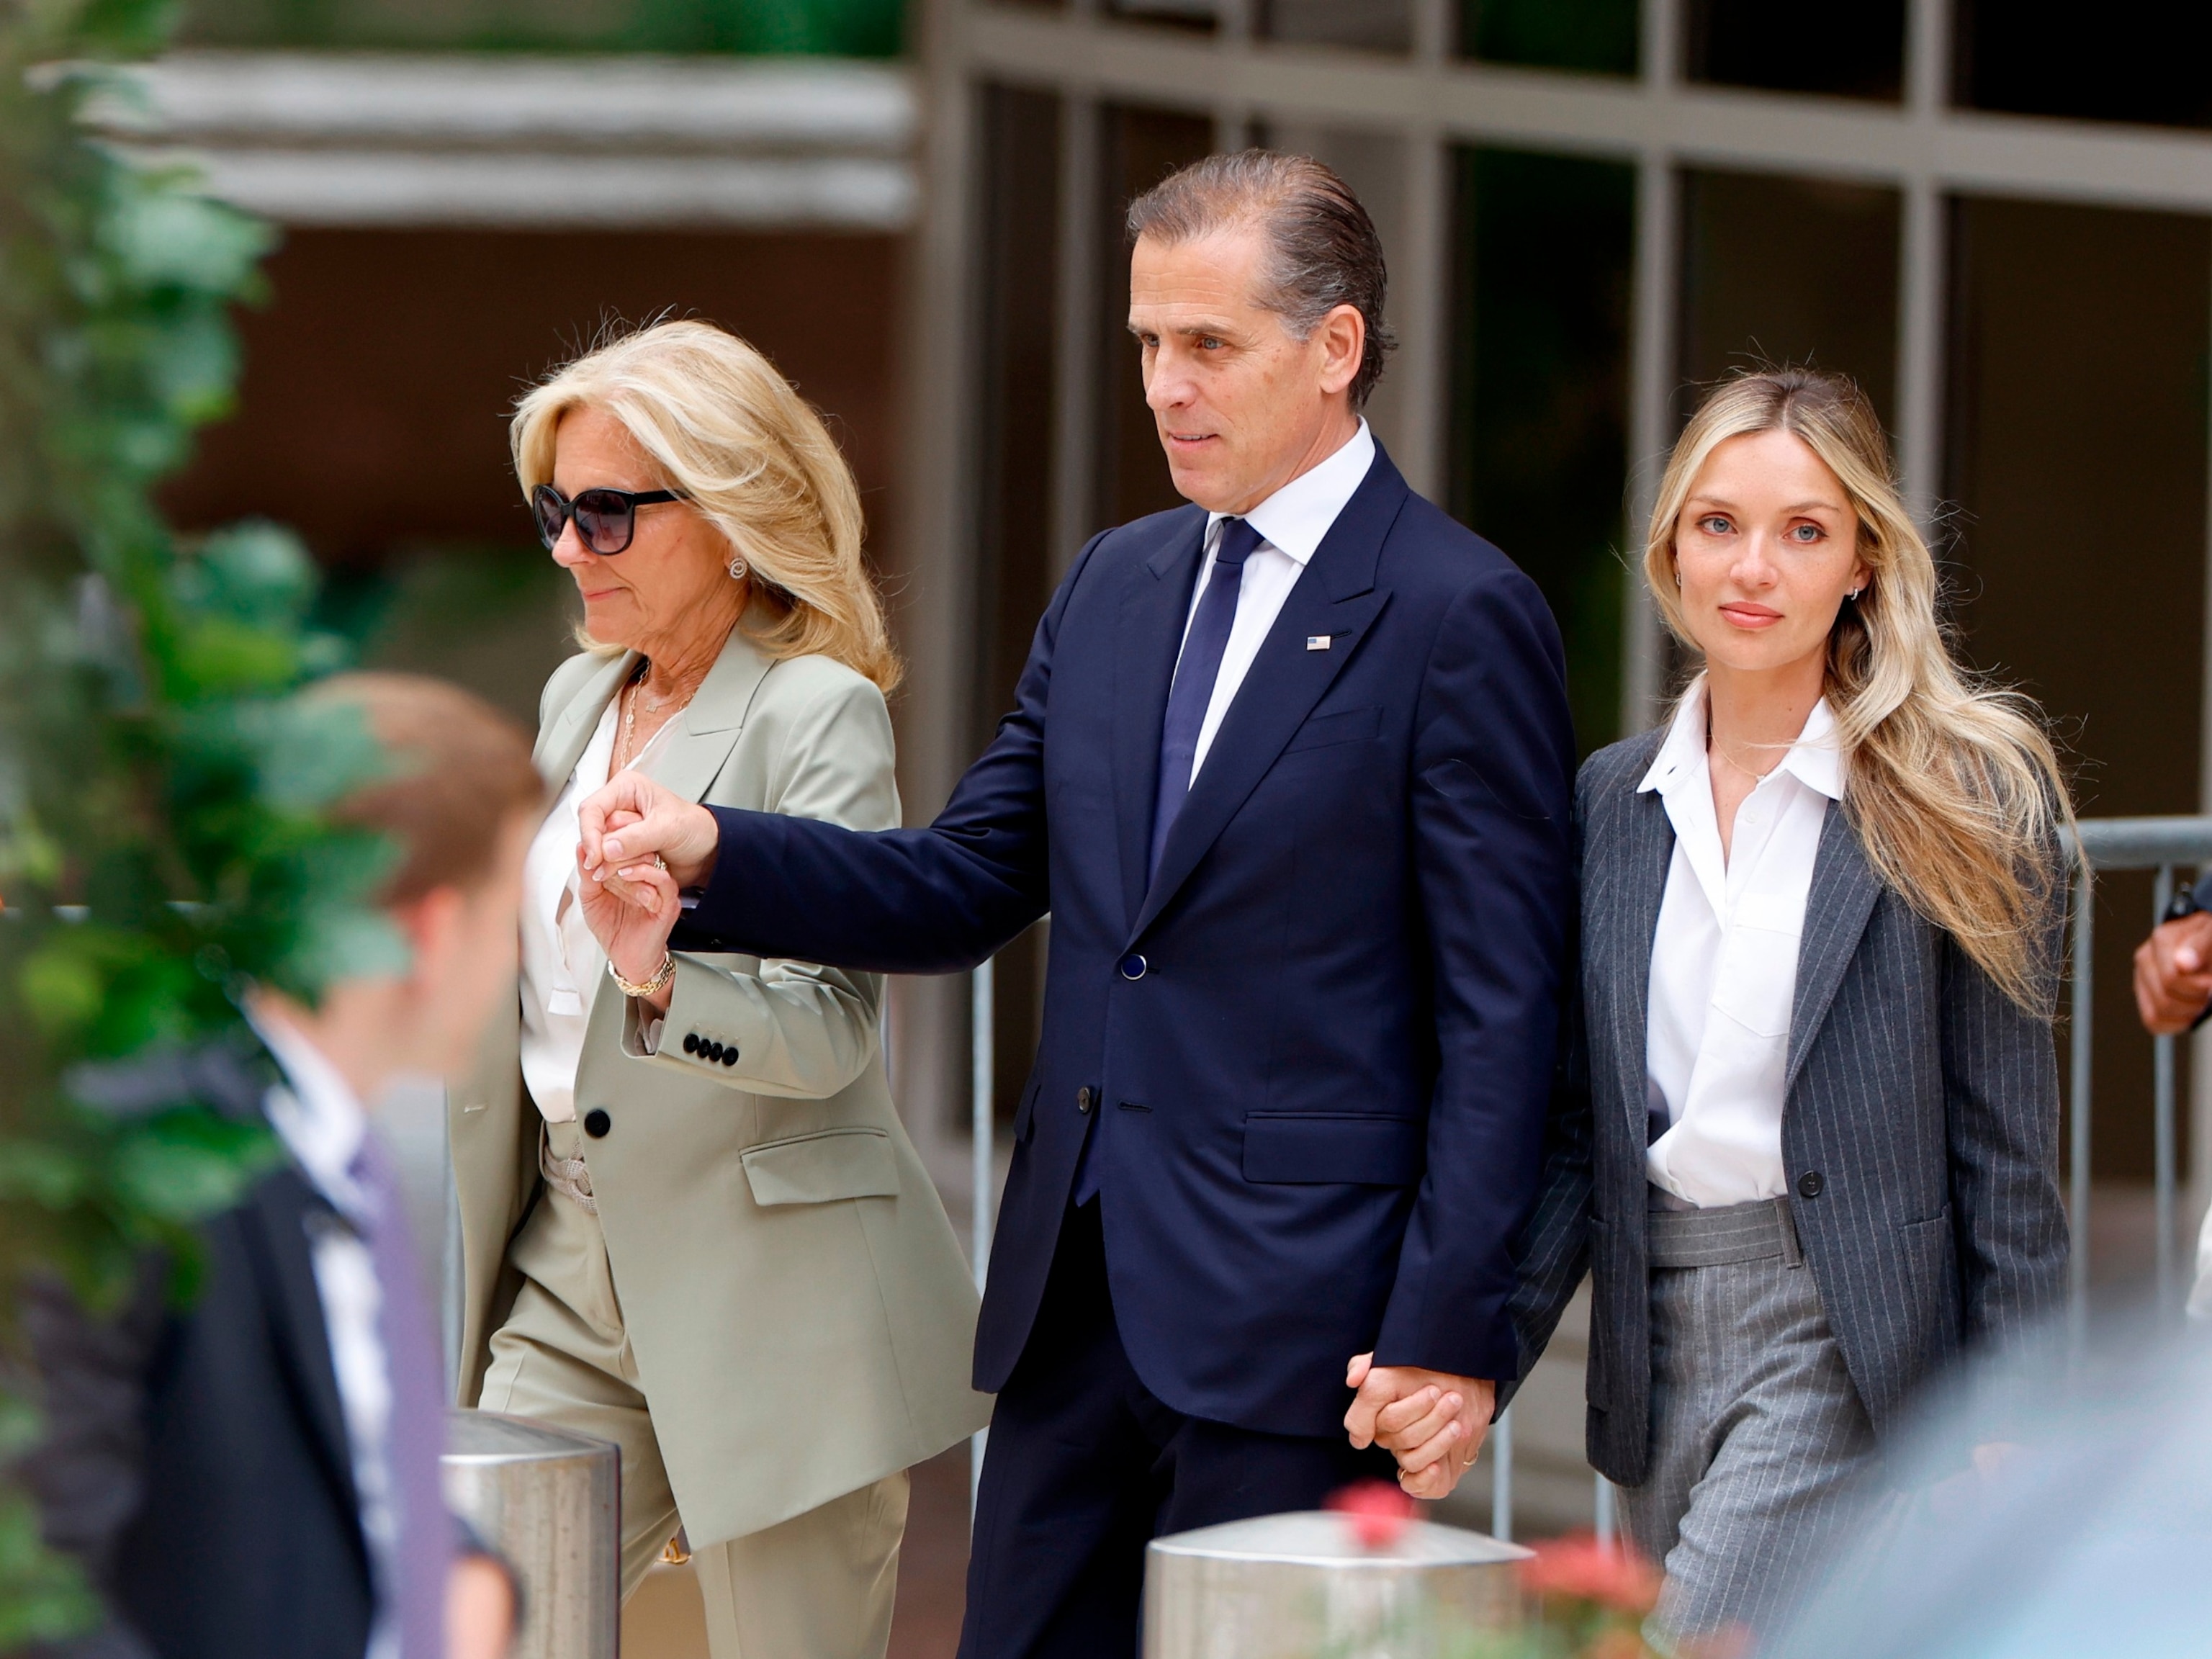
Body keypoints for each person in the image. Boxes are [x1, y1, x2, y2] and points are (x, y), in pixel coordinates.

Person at [575, 151, 1578, 1658]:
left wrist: (1452, 1336)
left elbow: (1508, 1021)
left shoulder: (1458, 613)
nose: (1166, 386)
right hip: (1072, 1310)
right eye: (1148, 344)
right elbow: (965, 882)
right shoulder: (1115, 584)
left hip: (1310, 1332)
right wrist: (718, 850)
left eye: (1209, 346)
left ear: (1338, 347)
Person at [449, 319, 988, 1659]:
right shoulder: (578, 696)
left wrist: (654, 978)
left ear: (734, 517)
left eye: (612, 514)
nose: (572, 547)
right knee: (471, 1630)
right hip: (568, 1273)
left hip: (775, 1301)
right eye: (556, 511)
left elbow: (831, 1032)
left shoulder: (818, 713)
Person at [1510, 367, 2072, 1647]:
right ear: (1670, 548)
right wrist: (1473, 1360)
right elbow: (1570, 1134)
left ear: (1863, 559)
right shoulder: (1609, 803)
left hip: (1847, 1333)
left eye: (1803, 530)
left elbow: (2008, 1150)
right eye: (1718, 524)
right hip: (1654, 1329)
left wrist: (2012, 1418)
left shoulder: (1962, 802)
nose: (1752, 566)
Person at [22, 672, 539, 1659]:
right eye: (507, 919)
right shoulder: (132, 1170)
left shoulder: (336, 1153)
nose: (518, 961)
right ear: (429, 935)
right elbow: (46, 1596)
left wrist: (469, 1574)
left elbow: (352, 1460)